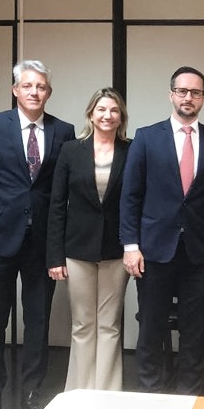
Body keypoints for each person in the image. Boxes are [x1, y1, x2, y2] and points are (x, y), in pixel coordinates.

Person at [0, 60, 75, 409]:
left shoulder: (64, 130)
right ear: (15, 90)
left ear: (49, 92)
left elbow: (64, 189)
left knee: (38, 318)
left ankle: (33, 387)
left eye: (41, 87)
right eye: (27, 86)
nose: (34, 92)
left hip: (42, 240)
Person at [120, 66, 204, 394]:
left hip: (200, 254)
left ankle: (189, 396)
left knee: (193, 331)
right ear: (171, 94)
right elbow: (130, 197)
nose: (188, 97)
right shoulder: (146, 137)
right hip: (153, 251)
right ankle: (150, 395)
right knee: (152, 329)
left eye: (195, 92)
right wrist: (130, 245)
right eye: (182, 91)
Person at [46, 88, 131, 391]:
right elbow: (57, 205)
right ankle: (80, 391)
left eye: (114, 110)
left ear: (121, 116)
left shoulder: (131, 150)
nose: (107, 116)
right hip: (77, 248)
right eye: (101, 109)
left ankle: (108, 394)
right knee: (82, 325)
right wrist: (54, 256)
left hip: (117, 250)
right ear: (90, 114)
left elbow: (136, 202)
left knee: (109, 325)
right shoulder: (71, 150)